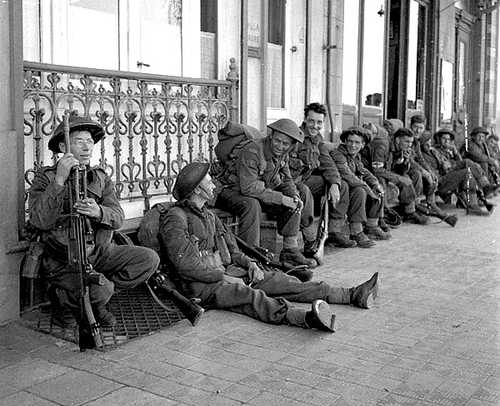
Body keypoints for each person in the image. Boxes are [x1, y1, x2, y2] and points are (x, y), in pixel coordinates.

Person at [158, 162, 379, 332]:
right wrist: (224, 277)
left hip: (227, 274)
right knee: (249, 296)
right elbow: (186, 266)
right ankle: (304, 319)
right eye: (209, 182)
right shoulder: (175, 219)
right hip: (201, 288)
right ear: (197, 190)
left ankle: (349, 295)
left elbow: (233, 251)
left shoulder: (209, 216)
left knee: (282, 281)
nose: (214, 185)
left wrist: (250, 264)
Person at [28, 114, 160, 327]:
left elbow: (117, 218)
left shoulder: (99, 177)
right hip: (63, 258)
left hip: (98, 252)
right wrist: (60, 180)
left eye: (90, 141)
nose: (86, 147)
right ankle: (66, 302)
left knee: (148, 259)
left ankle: (95, 300)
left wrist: (99, 211)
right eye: (79, 141)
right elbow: (39, 220)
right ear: (63, 146)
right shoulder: (46, 177)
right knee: (102, 289)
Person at [215, 118, 315, 267]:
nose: (280, 146)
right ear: (271, 136)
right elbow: (248, 188)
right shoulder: (253, 150)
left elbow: (287, 180)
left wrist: (294, 196)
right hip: (229, 190)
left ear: (291, 145)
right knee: (251, 204)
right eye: (277, 141)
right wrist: (281, 199)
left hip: (257, 190)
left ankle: (290, 250)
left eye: (285, 143)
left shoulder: (283, 154)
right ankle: (250, 256)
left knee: (301, 191)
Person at [288, 103, 347, 252]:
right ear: (305, 120)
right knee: (304, 191)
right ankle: (310, 240)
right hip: (287, 183)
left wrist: (335, 183)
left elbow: (327, 163)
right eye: (311, 121)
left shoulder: (318, 139)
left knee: (342, 185)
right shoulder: (294, 137)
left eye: (319, 122)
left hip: (303, 180)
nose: (315, 126)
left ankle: (333, 231)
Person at [329, 126, 390, 247]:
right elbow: (347, 175)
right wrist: (368, 189)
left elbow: (363, 171)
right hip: (336, 191)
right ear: (345, 141)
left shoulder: (356, 157)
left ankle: (369, 227)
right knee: (360, 190)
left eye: (357, 142)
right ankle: (346, 231)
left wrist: (375, 183)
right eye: (350, 141)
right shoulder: (338, 154)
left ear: (363, 145)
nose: (353, 145)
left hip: (348, 191)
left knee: (372, 188)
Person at [421, 129, 490, 216]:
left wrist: (455, 152)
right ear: (438, 139)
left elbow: (456, 162)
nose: (446, 141)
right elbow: (438, 168)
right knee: (467, 164)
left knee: (468, 170)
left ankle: (473, 204)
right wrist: (446, 165)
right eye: (444, 139)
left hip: (447, 176)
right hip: (439, 181)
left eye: (448, 139)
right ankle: (484, 187)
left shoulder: (435, 151)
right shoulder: (431, 152)